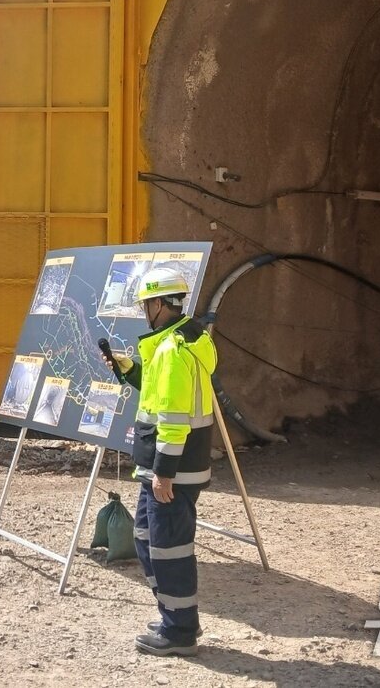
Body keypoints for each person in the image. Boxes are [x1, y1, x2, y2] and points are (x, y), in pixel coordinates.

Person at [103, 265, 216, 658]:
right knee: (147, 539)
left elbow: (172, 419)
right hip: (164, 467)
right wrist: (131, 370)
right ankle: (175, 615)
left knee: (169, 548)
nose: (142, 310)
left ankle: (180, 632)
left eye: (144, 304)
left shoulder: (172, 351)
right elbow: (160, 395)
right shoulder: (182, 340)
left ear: (158, 303)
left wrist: (164, 473)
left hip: (170, 469)